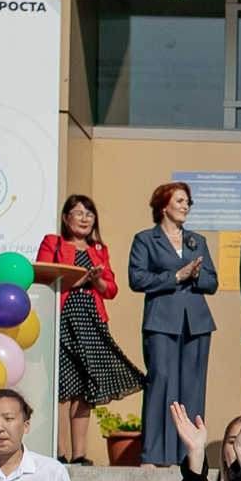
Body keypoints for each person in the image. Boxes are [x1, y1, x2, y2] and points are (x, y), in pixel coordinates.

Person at [41, 194, 145, 466]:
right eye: (78, 213)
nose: (85, 218)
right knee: (64, 388)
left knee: (86, 391)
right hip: (63, 318)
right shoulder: (54, 243)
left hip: (91, 322)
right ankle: (59, 453)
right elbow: (42, 276)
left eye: (89, 214)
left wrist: (96, 281)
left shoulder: (99, 249)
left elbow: (110, 289)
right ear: (66, 218)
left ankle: (79, 455)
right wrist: (79, 280)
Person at [129, 183, 219, 469]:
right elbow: (137, 278)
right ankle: (153, 455)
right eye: (180, 200)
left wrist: (196, 275)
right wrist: (175, 276)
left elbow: (212, 282)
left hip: (196, 322)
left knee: (193, 387)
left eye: (188, 202)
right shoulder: (145, 239)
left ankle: (187, 455)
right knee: (161, 383)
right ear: (163, 204)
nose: (185, 206)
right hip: (162, 320)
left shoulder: (196, 240)